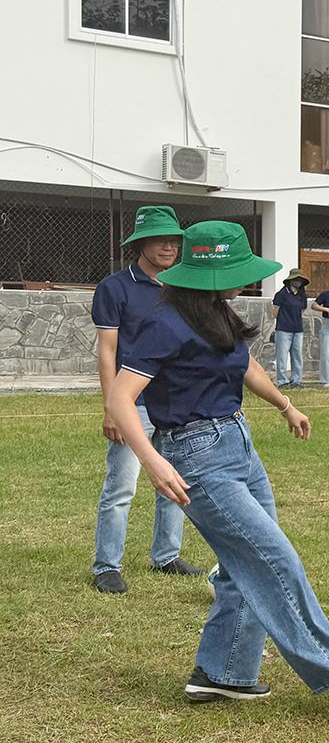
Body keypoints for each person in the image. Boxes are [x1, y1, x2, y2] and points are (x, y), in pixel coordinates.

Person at [105, 220, 329, 704]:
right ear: (212, 274)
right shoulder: (163, 323)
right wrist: (152, 461)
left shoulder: (218, 311)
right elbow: (120, 399)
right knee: (275, 560)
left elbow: (247, 367)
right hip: (197, 457)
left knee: (245, 564)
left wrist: (286, 405)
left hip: (238, 444)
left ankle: (222, 673)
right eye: (240, 271)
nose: (249, 280)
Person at [89, 204, 199, 594]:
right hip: (132, 404)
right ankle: (107, 565)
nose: (169, 247)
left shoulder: (184, 286)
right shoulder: (114, 288)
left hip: (175, 402)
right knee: (122, 486)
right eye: (160, 240)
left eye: (174, 241)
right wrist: (111, 408)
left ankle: (167, 555)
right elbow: (107, 351)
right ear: (140, 244)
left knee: (175, 482)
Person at [271, 270, 309, 388]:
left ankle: (296, 380)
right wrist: (284, 320)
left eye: (300, 280)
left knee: (297, 355)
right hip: (283, 329)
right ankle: (282, 381)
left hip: (298, 329)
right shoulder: (281, 294)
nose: (298, 282)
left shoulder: (302, 295)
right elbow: (275, 310)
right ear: (290, 280)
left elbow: (302, 310)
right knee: (282, 356)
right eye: (296, 279)